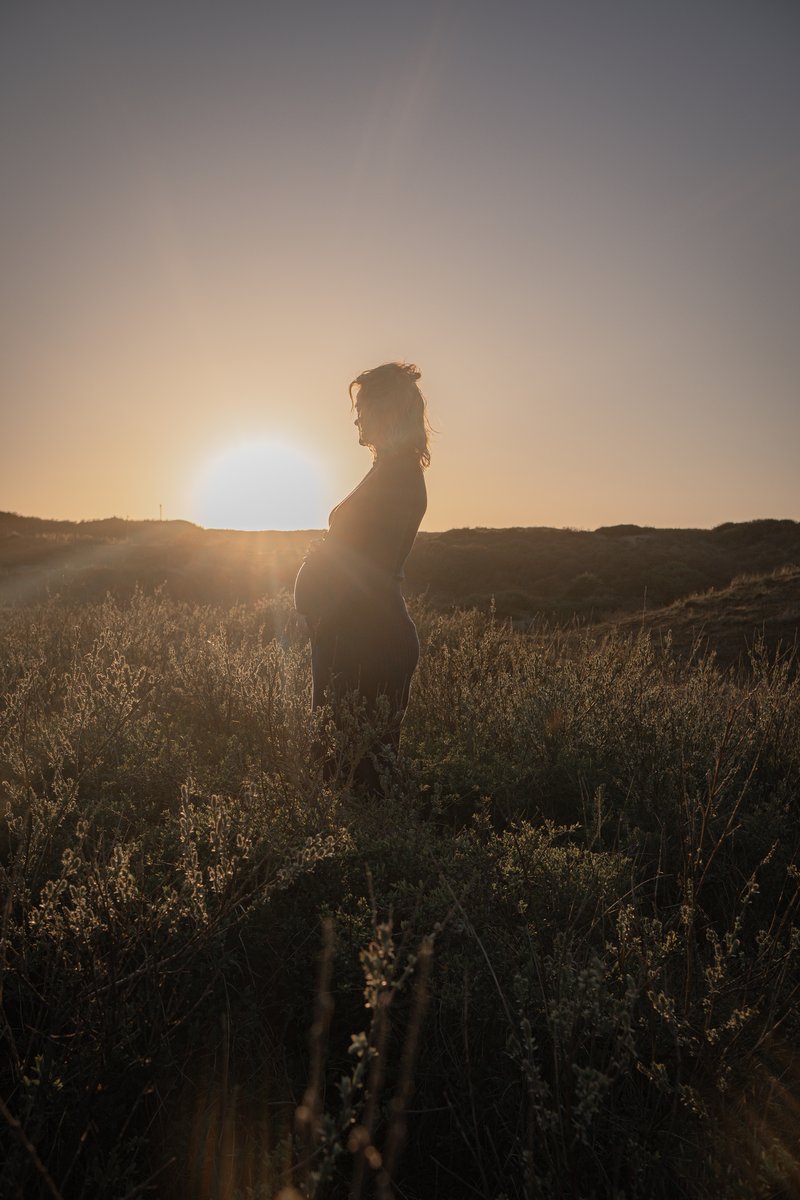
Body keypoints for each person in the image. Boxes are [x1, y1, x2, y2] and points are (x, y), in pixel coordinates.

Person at [293, 362, 430, 790]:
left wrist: (329, 560)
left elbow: (369, 567)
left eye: (363, 407)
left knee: (358, 777)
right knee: (340, 769)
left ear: (387, 410)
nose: (357, 417)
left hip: (368, 641)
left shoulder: (400, 477)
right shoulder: (386, 471)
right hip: (349, 636)